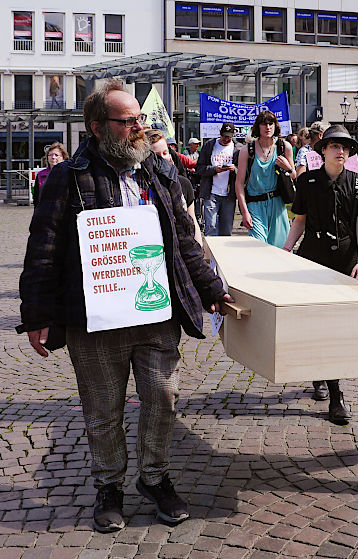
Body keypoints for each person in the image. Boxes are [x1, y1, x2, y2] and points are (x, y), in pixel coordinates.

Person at [18, 80, 232, 533]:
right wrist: (36, 315)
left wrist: (212, 287)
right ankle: (108, 486)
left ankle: (154, 479)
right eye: (128, 121)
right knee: (103, 409)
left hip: (156, 312)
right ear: (98, 127)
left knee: (163, 398)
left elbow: (184, 240)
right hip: (95, 321)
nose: (139, 127)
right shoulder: (68, 177)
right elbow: (43, 250)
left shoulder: (160, 171)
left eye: (141, 120)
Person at [283, 125, 358, 424]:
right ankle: (332, 389)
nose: (340, 151)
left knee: (340, 327)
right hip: (313, 259)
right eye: (334, 145)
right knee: (316, 323)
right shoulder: (308, 181)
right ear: (322, 150)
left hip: (346, 262)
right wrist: (285, 250)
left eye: (345, 147)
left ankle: (333, 387)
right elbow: (299, 221)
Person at [234, 110, 294, 248]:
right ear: (257, 127)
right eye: (264, 124)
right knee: (258, 246)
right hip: (254, 204)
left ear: (275, 126)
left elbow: (294, 176)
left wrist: (288, 167)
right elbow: (239, 183)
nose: (268, 127)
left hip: (277, 204)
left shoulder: (284, 147)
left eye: (270, 123)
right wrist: (244, 212)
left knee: (280, 248)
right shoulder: (246, 150)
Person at [146, 129, 203, 245]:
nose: (163, 158)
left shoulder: (183, 184)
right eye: (157, 155)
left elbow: (192, 220)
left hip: (183, 246)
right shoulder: (143, 187)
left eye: (165, 153)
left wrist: (199, 245)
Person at [196, 122, 242, 236]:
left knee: (226, 229)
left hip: (229, 194)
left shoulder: (238, 149)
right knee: (210, 226)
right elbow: (199, 168)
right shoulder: (209, 145)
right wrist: (214, 169)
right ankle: (210, 252)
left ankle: (224, 253)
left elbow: (244, 172)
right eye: (225, 136)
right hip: (211, 192)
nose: (226, 139)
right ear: (220, 134)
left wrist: (234, 169)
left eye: (229, 137)